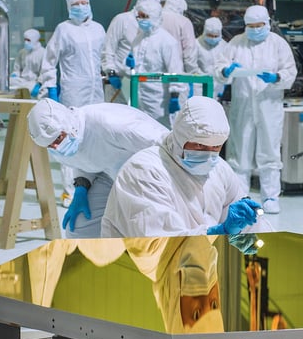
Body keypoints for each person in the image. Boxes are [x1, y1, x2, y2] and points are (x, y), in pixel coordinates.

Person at [101, 96, 270, 240]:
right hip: (138, 271)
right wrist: (220, 232)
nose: (208, 155)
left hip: (195, 264)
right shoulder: (144, 171)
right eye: (200, 145)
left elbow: (250, 224)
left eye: (216, 147)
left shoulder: (219, 169)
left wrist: (245, 234)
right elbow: (160, 243)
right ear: (181, 138)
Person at [27, 98, 169, 238]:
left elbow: (166, 144)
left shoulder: (111, 123)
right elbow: (83, 161)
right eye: (50, 145)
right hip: (111, 175)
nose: (56, 147)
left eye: (57, 140)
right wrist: (81, 188)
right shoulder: (62, 142)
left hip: (153, 178)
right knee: (80, 229)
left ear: (68, 124)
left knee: (147, 230)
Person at [214, 5, 297, 214]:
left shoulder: (278, 44)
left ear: (267, 23)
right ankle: (239, 197)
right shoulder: (236, 43)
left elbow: (290, 71)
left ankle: (270, 197)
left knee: (269, 151)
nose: (255, 29)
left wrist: (276, 77)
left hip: (269, 105)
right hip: (242, 105)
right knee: (239, 152)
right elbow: (219, 69)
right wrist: (226, 70)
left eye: (259, 25)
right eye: (250, 26)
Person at [32, 0, 107, 206]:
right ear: (69, 7)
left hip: (96, 92)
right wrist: (50, 87)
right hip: (73, 90)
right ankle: (69, 191)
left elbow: (102, 59)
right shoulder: (63, 30)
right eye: (76, 4)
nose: (81, 6)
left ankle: (94, 187)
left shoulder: (99, 29)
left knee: (96, 137)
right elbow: (50, 60)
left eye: (85, 2)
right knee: (70, 138)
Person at [124, 0, 185, 129]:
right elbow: (133, 71)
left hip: (160, 101)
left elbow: (175, 71)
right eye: (139, 16)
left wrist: (175, 95)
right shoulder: (138, 40)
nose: (140, 20)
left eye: (144, 16)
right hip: (139, 98)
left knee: (160, 134)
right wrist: (129, 67)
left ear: (154, 17)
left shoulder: (167, 41)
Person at [101, 0, 160, 104]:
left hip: (142, 83)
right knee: (117, 117)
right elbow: (108, 49)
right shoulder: (122, 20)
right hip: (119, 82)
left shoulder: (152, 25)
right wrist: (111, 72)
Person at [161, 0, 200, 74]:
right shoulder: (183, 21)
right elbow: (189, 51)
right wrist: (193, 72)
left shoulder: (155, 18)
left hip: (152, 73)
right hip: (176, 72)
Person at [195, 17, 228, 100]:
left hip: (218, 87)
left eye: (216, 36)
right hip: (199, 88)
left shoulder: (224, 46)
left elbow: (225, 65)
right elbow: (191, 66)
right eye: (210, 35)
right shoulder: (196, 45)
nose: (213, 38)